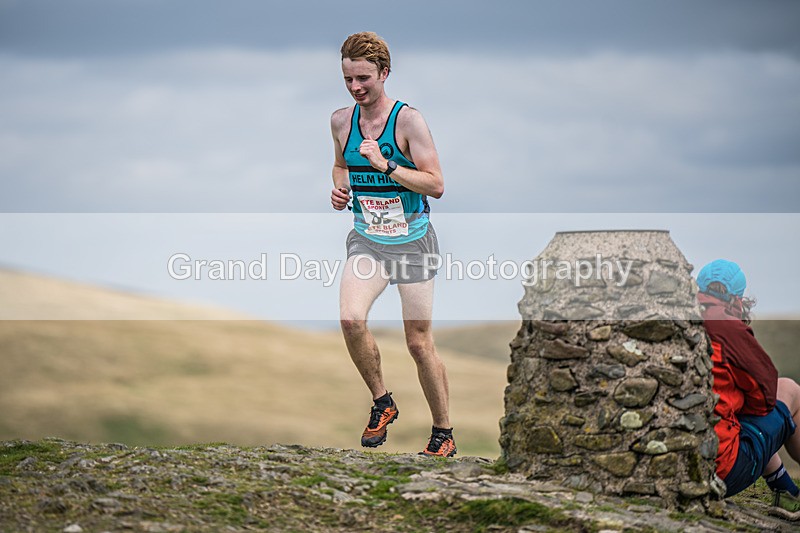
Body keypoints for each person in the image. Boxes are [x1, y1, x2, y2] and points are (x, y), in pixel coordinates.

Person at [328, 32, 455, 457]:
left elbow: (436, 184)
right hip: (368, 240)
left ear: (385, 73)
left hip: (414, 241)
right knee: (350, 319)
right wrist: (340, 189)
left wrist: (388, 165)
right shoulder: (340, 121)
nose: (355, 87)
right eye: (348, 79)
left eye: (363, 78)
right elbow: (339, 164)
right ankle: (383, 402)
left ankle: (443, 432)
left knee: (419, 343)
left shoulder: (408, 121)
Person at [697, 259, 800, 519]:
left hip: (681, 464)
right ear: (739, 301)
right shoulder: (728, 328)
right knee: (789, 390)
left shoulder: (684, 322)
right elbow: (764, 401)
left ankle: (786, 492)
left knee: (736, 414)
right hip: (721, 471)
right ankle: (787, 492)